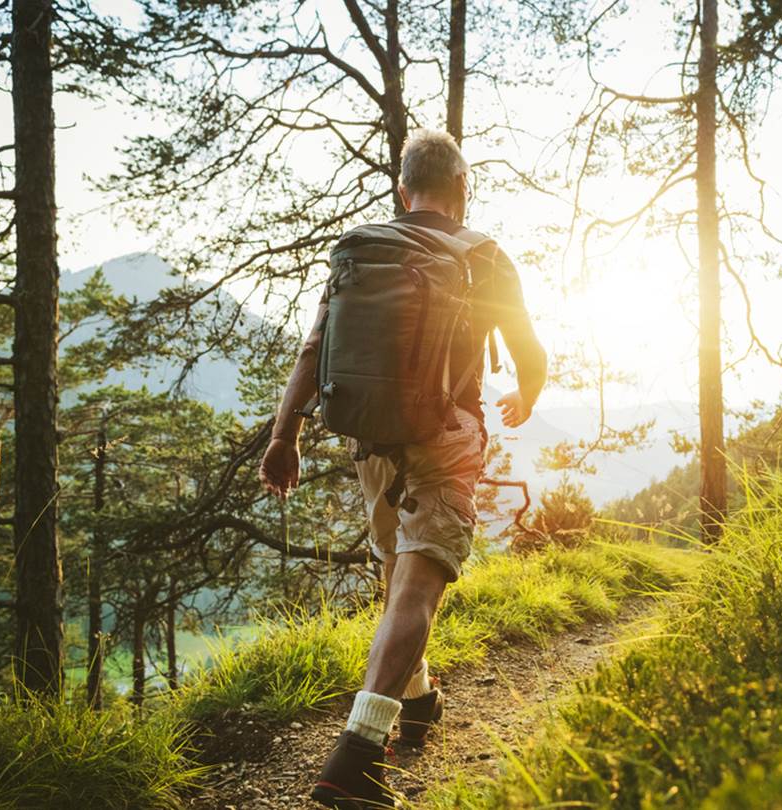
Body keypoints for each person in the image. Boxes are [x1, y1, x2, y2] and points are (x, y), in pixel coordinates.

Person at [258, 128, 547, 808]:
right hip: (446, 435)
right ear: (462, 191)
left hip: (371, 439)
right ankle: (357, 754)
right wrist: (525, 394)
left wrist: (285, 435)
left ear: (402, 190)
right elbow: (530, 353)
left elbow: (313, 349)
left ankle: (417, 703)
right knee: (417, 587)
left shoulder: (361, 250)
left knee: (398, 576)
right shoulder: (484, 256)